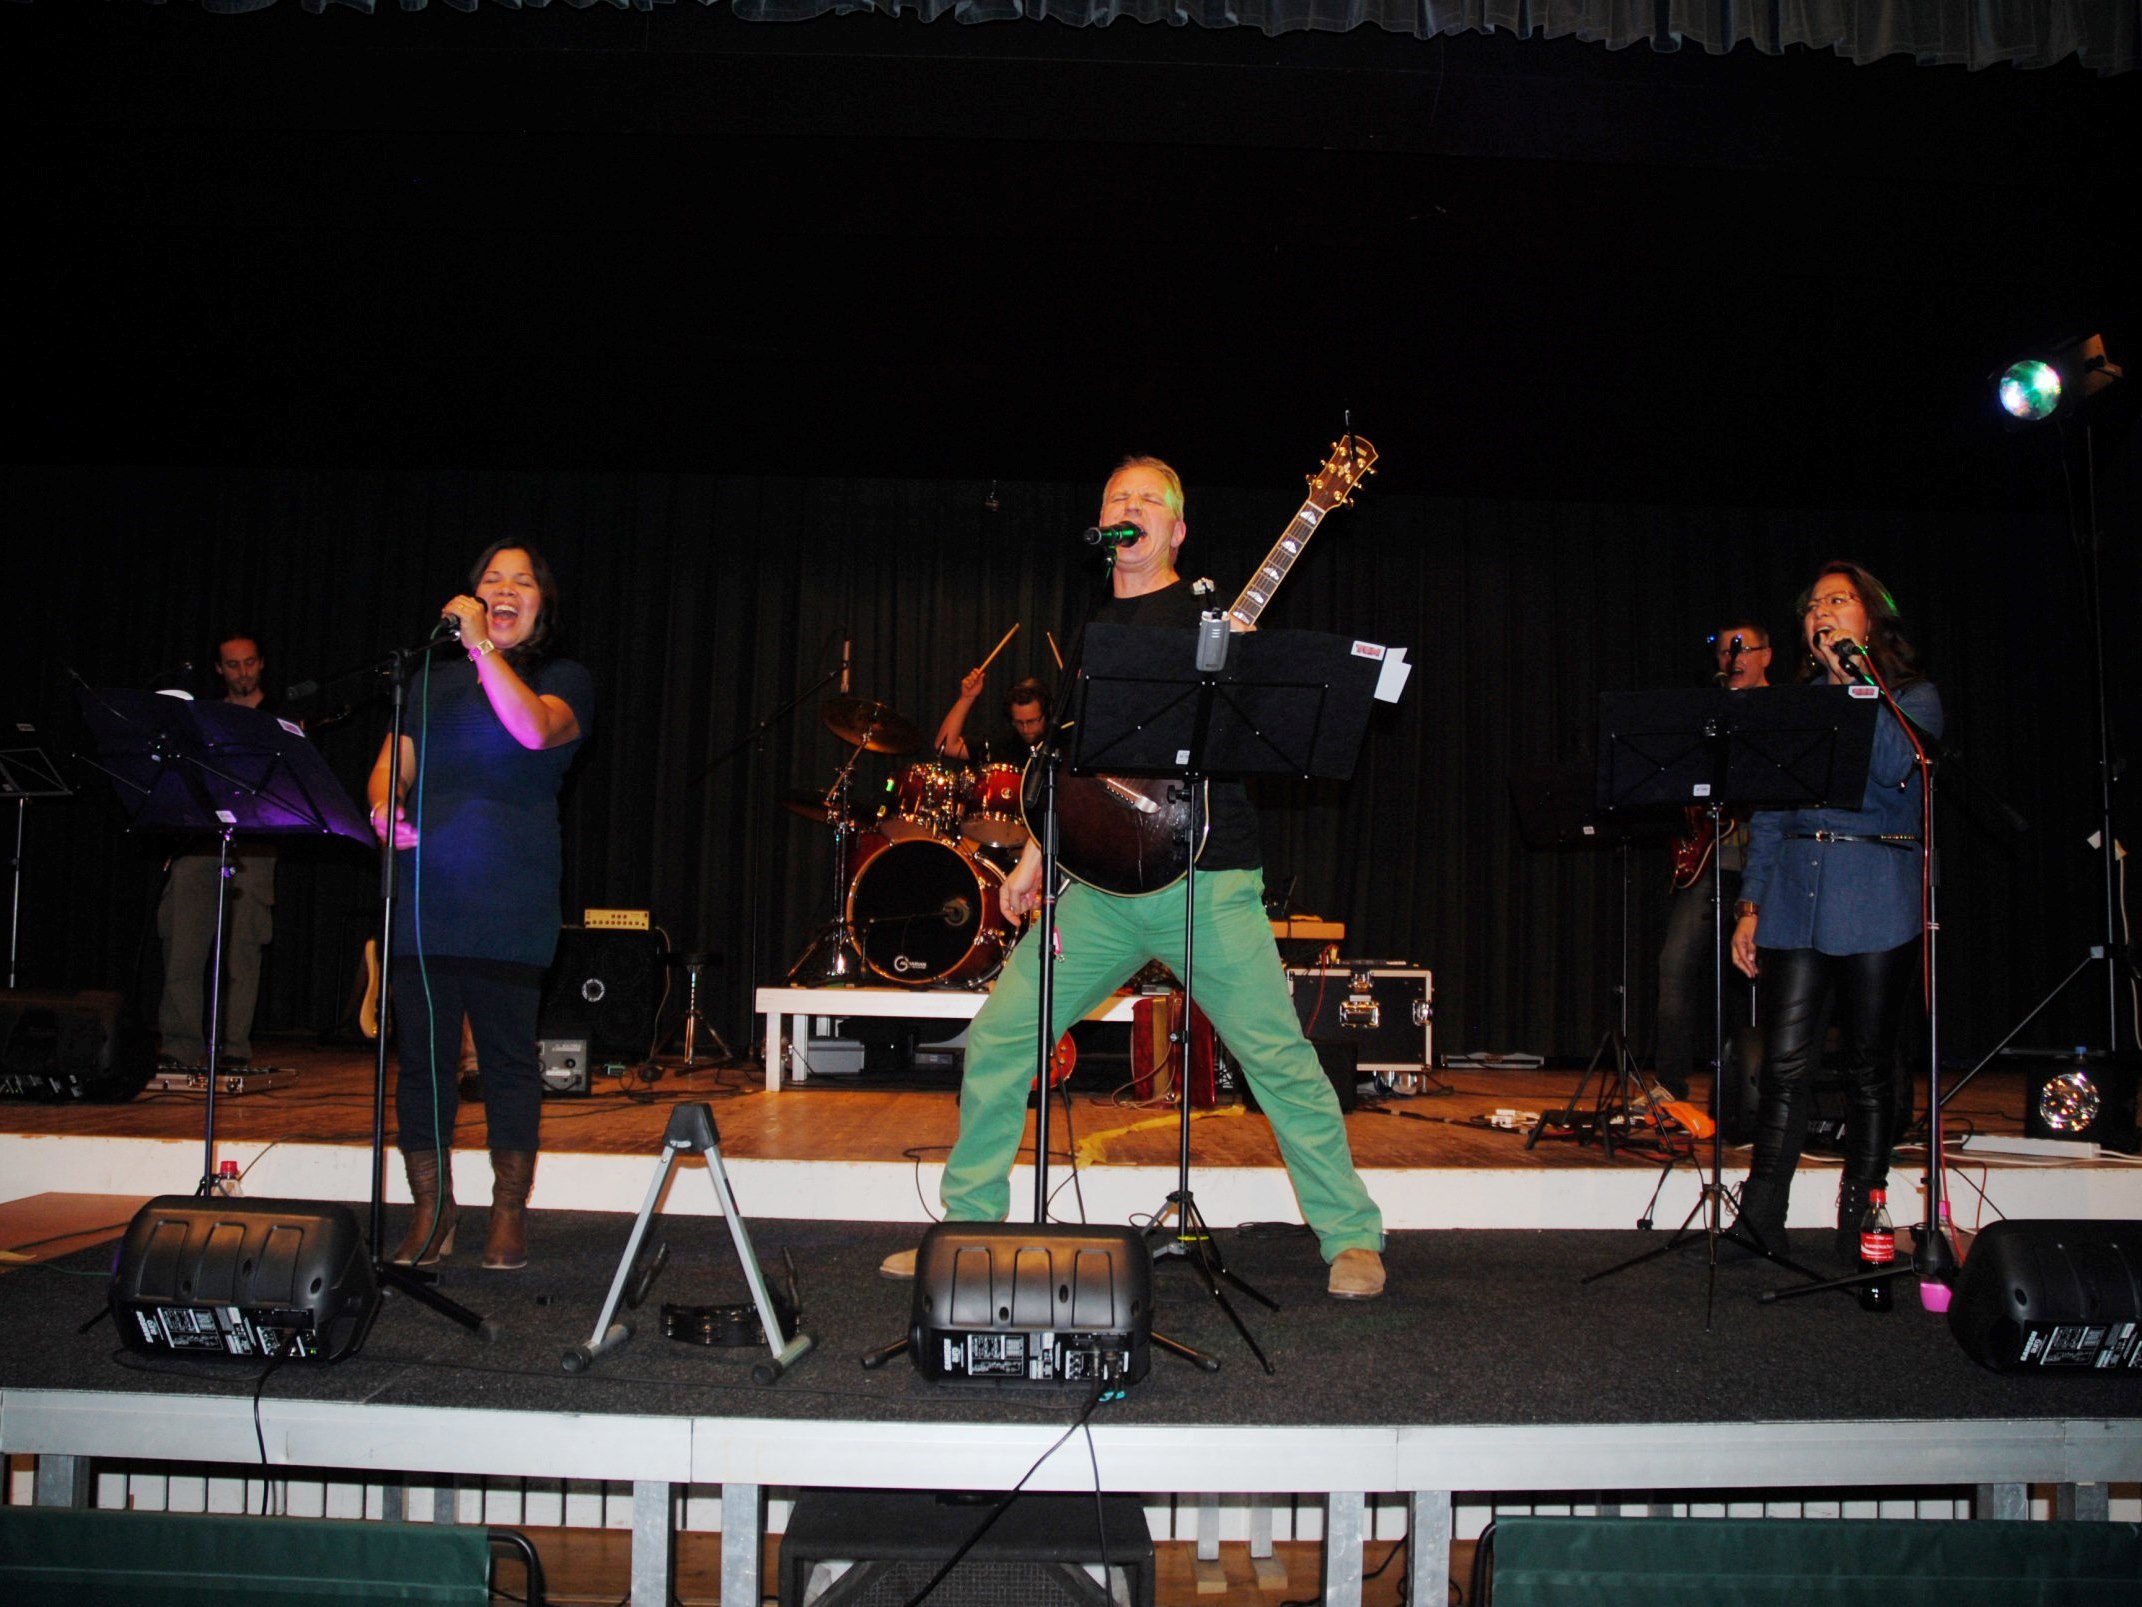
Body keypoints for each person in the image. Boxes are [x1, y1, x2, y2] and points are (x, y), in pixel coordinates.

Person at [881, 456, 1388, 1299]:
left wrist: (1245, 667)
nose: (1130, 505)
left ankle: (1352, 1234)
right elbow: (1071, 759)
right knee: (1002, 1039)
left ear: (1177, 530)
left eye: (1148, 498)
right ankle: (967, 1225)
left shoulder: (1213, 615)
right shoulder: (1092, 629)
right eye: (1118, 496)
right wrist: (1036, 856)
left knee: (1278, 1057)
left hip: (1207, 881)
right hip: (1100, 888)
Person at [368, 544, 593, 1271]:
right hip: (427, 894)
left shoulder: (564, 680)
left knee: (505, 1060)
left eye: (522, 581)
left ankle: (508, 1210)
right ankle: (430, 1209)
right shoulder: (427, 681)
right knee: (423, 1064)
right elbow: (394, 760)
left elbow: (531, 730)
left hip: (510, 897)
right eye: (492, 579)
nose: (504, 588)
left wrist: (482, 651)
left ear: (541, 604)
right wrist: (384, 803)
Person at [1729, 562, 1938, 1264]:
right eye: (1813, 605)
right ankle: (1760, 1219)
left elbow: (1891, 769)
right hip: (1796, 895)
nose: (1820, 612)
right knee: (1784, 1066)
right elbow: (1770, 812)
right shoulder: (1795, 706)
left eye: (1837, 601)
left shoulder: (1912, 698)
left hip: (1877, 890)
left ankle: (1862, 1223)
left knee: (1869, 1070)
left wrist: (1861, 683)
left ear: (1870, 617)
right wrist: (1751, 905)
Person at [1651, 620, 1772, 1100]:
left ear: (1767, 655)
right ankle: (1668, 1086)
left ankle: (1766, 1086)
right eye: (1724, 651)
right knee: (1675, 965)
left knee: (1769, 974)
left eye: (1743, 650)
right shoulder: (1708, 714)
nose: (1733, 659)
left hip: (1767, 862)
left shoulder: (1783, 711)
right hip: (1711, 858)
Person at [155, 631, 278, 1069]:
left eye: (250, 662)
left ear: (261, 663)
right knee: (182, 945)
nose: (243, 672)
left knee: (242, 949)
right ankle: (180, 1046)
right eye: (233, 665)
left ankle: (233, 1048)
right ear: (219, 670)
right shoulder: (202, 718)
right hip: (200, 841)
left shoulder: (281, 717)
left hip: (255, 844)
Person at [932, 671, 1052, 762]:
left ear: (1046, 715)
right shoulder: (1006, 744)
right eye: (1019, 722)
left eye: (1031, 721)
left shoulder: (1059, 745)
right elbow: (945, 746)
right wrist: (966, 698)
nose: (1025, 729)